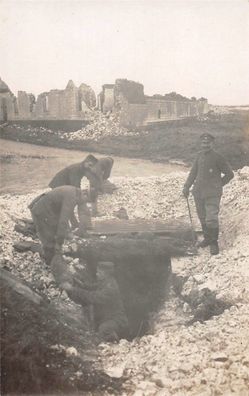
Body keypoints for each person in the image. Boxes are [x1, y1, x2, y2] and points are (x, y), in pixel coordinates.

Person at [182, 133, 234, 255]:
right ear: (201, 144)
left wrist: (218, 185)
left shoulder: (218, 157)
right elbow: (193, 173)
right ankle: (207, 239)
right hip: (198, 192)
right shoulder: (199, 156)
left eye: (208, 143)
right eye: (203, 143)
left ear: (212, 143)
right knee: (203, 217)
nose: (205, 145)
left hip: (212, 194)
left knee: (211, 219)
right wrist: (186, 186)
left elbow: (230, 174)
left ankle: (214, 243)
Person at [63, 262, 129, 343]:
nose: (97, 274)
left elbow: (93, 297)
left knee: (104, 329)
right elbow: (92, 287)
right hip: (107, 318)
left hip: (117, 320)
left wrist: (73, 289)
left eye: (99, 272)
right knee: (97, 331)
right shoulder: (106, 282)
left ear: (106, 274)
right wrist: (81, 284)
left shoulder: (110, 288)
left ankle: (116, 345)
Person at [29, 186, 92, 265]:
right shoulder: (71, 197)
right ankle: (50, 262)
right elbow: (63, 221)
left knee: (57, 231)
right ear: (84, 193)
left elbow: (70, 213)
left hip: (51, 209)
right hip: (41, 209)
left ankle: (53, 255)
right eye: (85, 201)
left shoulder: (74, 192)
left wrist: (75, 228)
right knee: (49, 236)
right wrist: (59, 243)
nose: (83, 203)